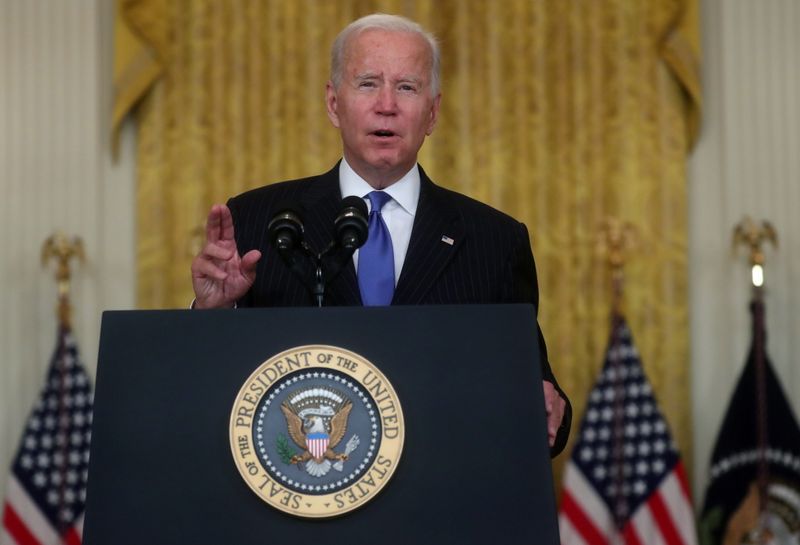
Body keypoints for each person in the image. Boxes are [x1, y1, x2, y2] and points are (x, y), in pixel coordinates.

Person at [191, 13, 571, 456]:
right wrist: (211, 314)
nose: (386, 104)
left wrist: (548, 405)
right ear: (334, 104)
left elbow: (538, 395)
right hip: (303, 500)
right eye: (368, 83)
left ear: (432, 112)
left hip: (440, 499)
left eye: (407, 87)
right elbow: (209, 397)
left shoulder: (494, 240)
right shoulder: (261, 222)